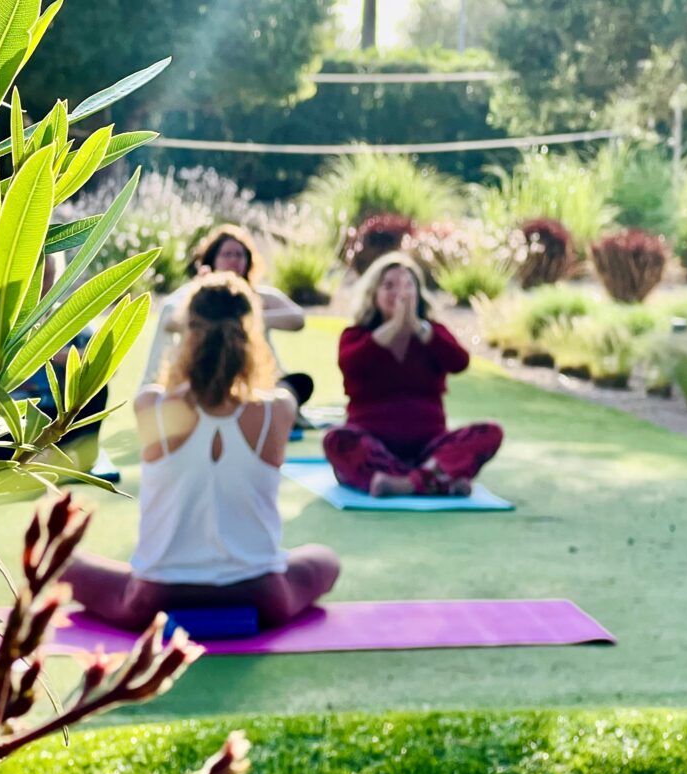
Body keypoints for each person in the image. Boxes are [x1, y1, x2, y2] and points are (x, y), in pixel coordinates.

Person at [64, 272, 340, 631]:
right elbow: (284, 390)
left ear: (187, 334)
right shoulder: (278, 410)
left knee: (62, 563)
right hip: (263, 594)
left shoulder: (152, 405)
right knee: (325, 559)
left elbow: (186, 391)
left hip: (154, 599)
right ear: (250, 336)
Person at [322, 253, 503, 497]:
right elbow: (352, 363)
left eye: (408, 286)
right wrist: (396, 325)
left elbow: (459, 362)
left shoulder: (433, 333)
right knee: (336, 440)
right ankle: (437, 480)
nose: (401, 294)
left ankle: (407, 483)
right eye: (389, 286)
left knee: (490, 432)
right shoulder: (355, 335)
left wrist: (417, 327)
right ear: (373, 294)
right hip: (374, 444)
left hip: (429, 447)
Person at [140, 225, 315, 412]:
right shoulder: (198, 295)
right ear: (213, 259)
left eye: (240, 255)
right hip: (207, 373)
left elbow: (297, 319)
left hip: (253, 377)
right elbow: (170, 320)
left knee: (299, 384)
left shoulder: (258, 296)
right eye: (227, 254)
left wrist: (250, 318)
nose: (234, 260)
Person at [0, 255, 107, 472]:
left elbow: (101, 360)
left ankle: (61, 456)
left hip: (59, 415)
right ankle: (36, 460)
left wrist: (45, 351)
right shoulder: (4, 316)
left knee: (98, 387)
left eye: (47, 276)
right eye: (35, 277)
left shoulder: (69, 314)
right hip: (14, 414)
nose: (41, 285)